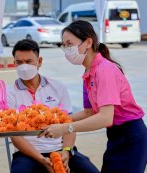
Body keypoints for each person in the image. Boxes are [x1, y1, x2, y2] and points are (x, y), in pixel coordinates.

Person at [38, 20, 147, 173]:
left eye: (70, 44)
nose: (66, 49)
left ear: (88, 42)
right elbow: (89, 112)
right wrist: (56, 119)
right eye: (64, 45)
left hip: (131, 137)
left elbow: (105, 117)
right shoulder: (88, 73)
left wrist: (65, 128)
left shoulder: (104, 71)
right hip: (115, 136)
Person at [7, 39, 99, 173]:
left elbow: (69, 123)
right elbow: (15, 137)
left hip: (61, 149)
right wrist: (42, 160)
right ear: (14, 63)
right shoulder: (9, 93)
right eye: (19, 62)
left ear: (39, 62)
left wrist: (66, 151)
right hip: (28, 154)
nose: (24, 66)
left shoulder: (57, 87)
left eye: (29, 61)